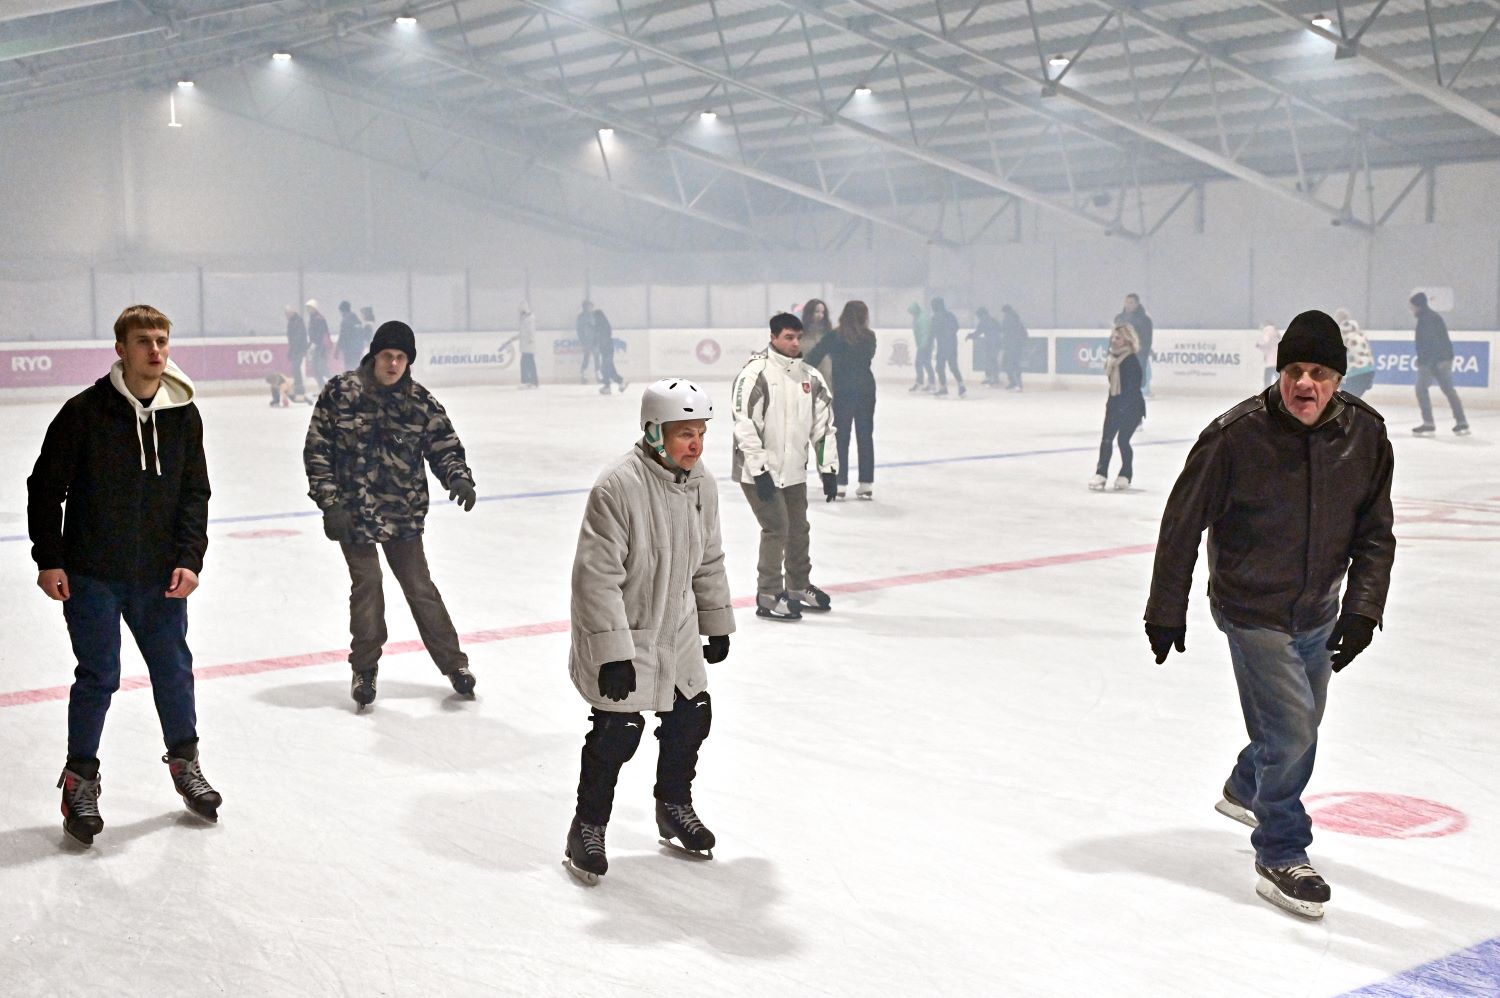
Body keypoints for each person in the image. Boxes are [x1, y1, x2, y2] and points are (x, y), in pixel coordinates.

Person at [1144, 309, 1395, 921]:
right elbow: (1182, 524)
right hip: (1251, 608)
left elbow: (1375, 534)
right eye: (1293, 371)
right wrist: (1166, 607)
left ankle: (1246, 784)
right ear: (1278, 372)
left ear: (1338, 378)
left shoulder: (1365, 434)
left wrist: (1362, 610)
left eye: (1318, 372)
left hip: (1318, 609)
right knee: (1291, 732)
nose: (1304, 384)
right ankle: (1282, 851)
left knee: (1300, 725)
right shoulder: (1235, 436)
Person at [27, 304, 220, 846]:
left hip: (159, 574)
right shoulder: (84, 412)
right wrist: (50, 558)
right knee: (99, 676)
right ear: (121, 348)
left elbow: (194, 492)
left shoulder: (184, 413)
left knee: (173, 668)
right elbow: (45, 487)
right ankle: (79, 780)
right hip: (91, 572)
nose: (155, 350)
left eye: (161, 340)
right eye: (143, 341)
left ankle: (186, 763)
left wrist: (190, 557)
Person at [563, 379, 736, 884]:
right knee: (617, 732)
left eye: (700, 432)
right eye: (684, 433)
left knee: (691, 718)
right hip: (627, 628)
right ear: (655, 432)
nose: (695, 444)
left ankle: (674, 807)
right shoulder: (617, 486)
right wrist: (613, 653)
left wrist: (716, 621)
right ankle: (586, 829)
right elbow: (596, 578)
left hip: (677, 629)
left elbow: (709, 559)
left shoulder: (701, 483)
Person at [303, 320, 480, 709]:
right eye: (388, 355)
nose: (394, 363)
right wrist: (330, 503)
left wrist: (459, 478)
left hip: (402, 514)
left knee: (420, 587)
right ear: (375, 355)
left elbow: (445, 446)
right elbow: (317, 450)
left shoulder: (420, 402)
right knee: (368, 584)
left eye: (401, 357)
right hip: (353, 514)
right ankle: (364, 669)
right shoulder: (341, 392)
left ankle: (455, 665)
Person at [730, 313, 839, 620]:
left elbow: (824, 427)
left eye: (798, 337)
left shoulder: (810, 378)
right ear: (773, 337)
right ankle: (768, 593)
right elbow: (745, 425)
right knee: (777, 526)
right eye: (788, 337)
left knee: (798, 529)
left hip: (792, 471)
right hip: (757, 471)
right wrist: (760, 470)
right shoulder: (756, 374)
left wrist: (828, 468)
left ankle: (798, 586)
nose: (794, 343)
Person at [805, 300, 877, 500]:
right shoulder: (869, 337)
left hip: (844, 390)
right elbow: (867, 358)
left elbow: (813, 357)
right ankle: (866, 483)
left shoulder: (834, 336)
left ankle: (841, 483)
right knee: (865, 436)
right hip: (866, 390)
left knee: (841, 437)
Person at [1088, 324, 1146, 492]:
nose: (1114, 340)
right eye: (1113, 337)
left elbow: (1133, 388)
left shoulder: (1131, 361)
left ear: (1127, 340)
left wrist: (1123, 408)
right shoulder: (1112, 359)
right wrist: (1113, 406)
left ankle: (1125, 474)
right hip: (1114, 405)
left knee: (1122, 440)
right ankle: (1101, 474)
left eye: (1118, 338)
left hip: (1132, 408)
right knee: (1106, 440)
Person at [1409, 291, 1469, 436]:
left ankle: (1429, 423)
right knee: (1449, 390)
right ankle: (1462, 422)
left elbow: (1432, 342)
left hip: (1434, 361)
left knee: (1421, 389)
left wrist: (1427, 361)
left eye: (1412, 306)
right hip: (1439, 359)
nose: (1411, 310)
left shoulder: (1427, 319)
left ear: (1418, 306)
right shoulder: (1430, 317)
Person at [1115, 294, 1154, 398]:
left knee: (1142, 370)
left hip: (1138, 352)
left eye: (1131, 302)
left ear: (1137, 304)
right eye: (1126, 302)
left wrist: (1141, 350)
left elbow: (1147, 338)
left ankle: (1144, 390)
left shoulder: (1145, 320)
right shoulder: (1119, 318)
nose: (1128, 305)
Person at [1333, 308, 1375, 398]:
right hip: (1369, 370)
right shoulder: (1359, 333)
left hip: (1356, 373)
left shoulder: (1340, 334)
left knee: (1345, 402)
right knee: (1350, 401)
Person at [930, 297, 966, 398]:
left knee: (940, 367)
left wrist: (934, 341)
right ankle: (961, 385)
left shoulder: (936, 317)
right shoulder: (950, 315)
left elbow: (933, 331)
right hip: (952, 344)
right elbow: (956, 327)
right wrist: (950, 335)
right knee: (954, 367)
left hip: (942, 345)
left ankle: (943, 388)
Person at [800, 298, 834, 385]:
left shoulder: (828, 334)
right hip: (806, 377)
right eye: (817, 312)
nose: (820, 315)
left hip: (826, 377)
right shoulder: (800, 334)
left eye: (822, 312)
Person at [593, 305, 626, 394]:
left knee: (605, 368)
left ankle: (608, 386)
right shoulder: (603, 325)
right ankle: (619, 382)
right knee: (609, 368)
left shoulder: (601, 326)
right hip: (606, 349)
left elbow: (602, 338)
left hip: (606, 349)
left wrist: (599, 345)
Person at [966, 307, 1002, 387]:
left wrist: (970, 336)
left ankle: (991, 378)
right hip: (996, 343)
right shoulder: (993, 320)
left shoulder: (984, 321)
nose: (978, 318)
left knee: (990, 360)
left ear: (981, 315)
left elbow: (978, 333)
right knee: (992, 360)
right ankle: (994, 378)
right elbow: (1000, 329)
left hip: (991, 343)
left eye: (979, 316)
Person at [999, 305, 1029, 391]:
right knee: (1011, 364)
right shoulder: (1016, 320)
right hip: (1014, 346)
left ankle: (1017, 384)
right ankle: (1014, 383)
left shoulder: (1009, 319)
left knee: (1012, 364)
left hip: (1012, 346)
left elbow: (1007, 332)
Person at [908, 301, 934, 392]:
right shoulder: (918, 317)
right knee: (922, 363)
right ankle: (923, 382)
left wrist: (923, 345)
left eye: (911, 312)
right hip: (923, 344)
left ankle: (929, 383)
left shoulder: (922, 319)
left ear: (915, 311)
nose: (911, 314)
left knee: (924, 363)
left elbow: (925, 332)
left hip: (925, 345)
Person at [306, 299, 332, 389]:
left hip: (320, 347)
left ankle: (336, 383)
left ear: (314, 308)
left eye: (310, 308)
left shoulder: (318, 319)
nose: (308, 310)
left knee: (321, 368)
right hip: (316, 346)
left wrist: (315, 343)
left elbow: (320, 334)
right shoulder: (313, 318)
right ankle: (322, 387)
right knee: (317, 369)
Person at [285, 305, 309, 400]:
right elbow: (292, 338)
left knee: (296, 368)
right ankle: (298, 388)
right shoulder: (292, 322)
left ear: (291, 313)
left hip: (299, 349)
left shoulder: (298, 321)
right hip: (296, 349)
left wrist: (294, 349)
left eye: (287, 314)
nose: (286, 316)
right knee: (295, 369)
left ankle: (300, 389)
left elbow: (298, 337)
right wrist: (291, 350)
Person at [336, 300, 366, 373]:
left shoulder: (346, 320)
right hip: (357, 348)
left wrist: (337, 349)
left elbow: (343, 336)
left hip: (349, 349)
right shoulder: (356, 319)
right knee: (355, 366)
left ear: (343, 310)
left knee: (349, 367)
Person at [516, 300, 538, 388]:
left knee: (527, 363)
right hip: (525, 345)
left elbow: (530, 330)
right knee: (527, 363)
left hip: (528, 345)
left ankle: (529, 381)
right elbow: (523, 332)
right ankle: (530, 381)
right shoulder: (524, 318)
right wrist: (517, 337)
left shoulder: (529, 318)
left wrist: (531, 339)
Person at [576, 300, 597, 385]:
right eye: (588, 306)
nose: (589, 308)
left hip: (595, 340)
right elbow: (579, 330)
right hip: (586, 341)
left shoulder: (594, 315)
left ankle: (599, 375)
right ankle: (583, 376)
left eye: (590, 306)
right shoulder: (581, 317)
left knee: (597, 358)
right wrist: (582, 340)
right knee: (586, 358)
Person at [1256, 321, 1280, 387]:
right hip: (1277, 361)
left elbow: (1266, 344)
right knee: (1278, 378)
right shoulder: (1276, 334)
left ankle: (1267, 391)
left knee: (1267, 380)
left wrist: (1259, 346)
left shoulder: (1267, 331)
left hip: (1270, 362)